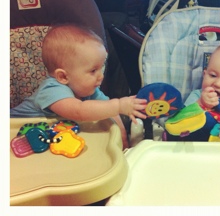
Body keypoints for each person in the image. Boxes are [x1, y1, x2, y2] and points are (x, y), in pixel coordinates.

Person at [10, 24, 147, 149]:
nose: (101, 76)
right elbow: (79, 111)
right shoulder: (51, 90)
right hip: (14, 133)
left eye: (102, 67)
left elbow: (111, 114)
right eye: (93, 70)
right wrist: (118, 105)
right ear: (63, 77)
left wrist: (122, 141)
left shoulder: (89, 90)